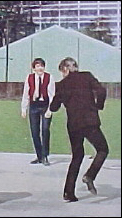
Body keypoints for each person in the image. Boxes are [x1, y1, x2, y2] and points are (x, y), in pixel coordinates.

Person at [50, 57, 109, 202]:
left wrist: (55, 99)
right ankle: (90, 175)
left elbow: (54, 107)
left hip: (74, 125)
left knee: (77, 156)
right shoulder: (87, 76)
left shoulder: (62, 84)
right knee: (102, 149)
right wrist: (98, 105)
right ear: (75, 66)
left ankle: (68, 192)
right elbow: (101, 90)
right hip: (89, 121)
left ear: (65, 69)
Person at [21, 58, 55, 166]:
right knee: (34, 132)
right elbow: (26, 93)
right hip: (34, 106)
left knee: (45, 130)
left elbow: (52, 95)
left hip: (45, 105)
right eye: (37, 66)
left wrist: (50, 109)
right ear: (34, 68)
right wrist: (24, 108)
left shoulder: (49, 77)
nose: (40, 68)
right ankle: (39, 156)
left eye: (41, 66)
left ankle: (45, 155)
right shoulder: (29, 78)